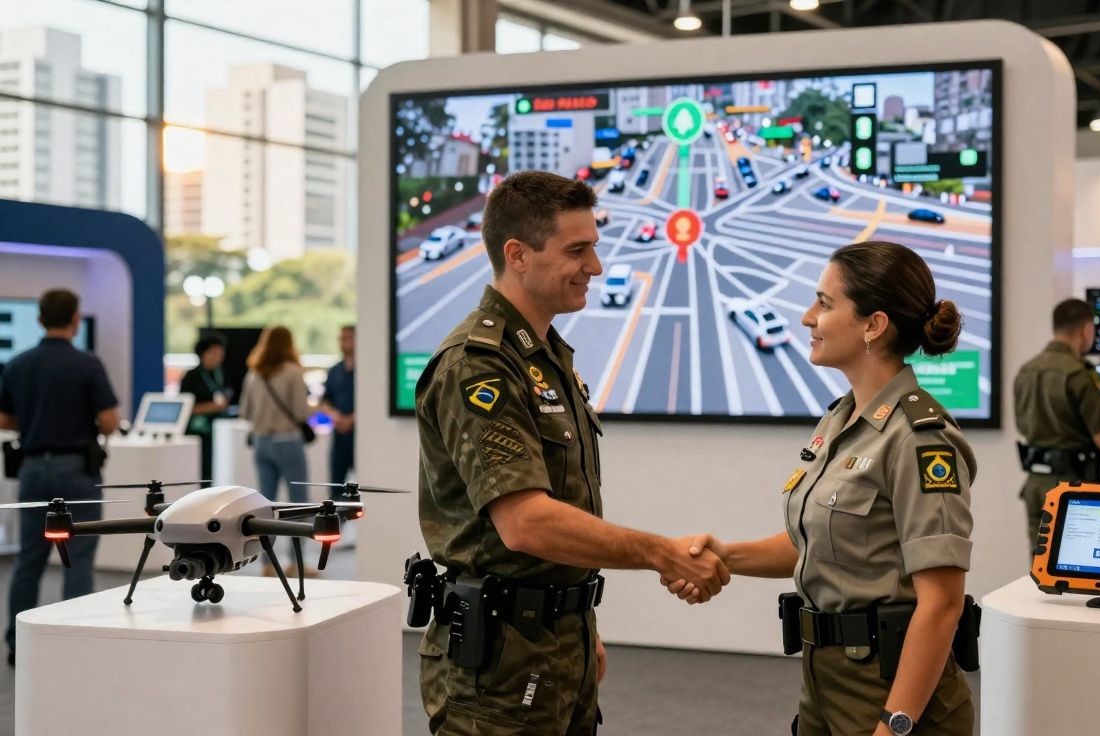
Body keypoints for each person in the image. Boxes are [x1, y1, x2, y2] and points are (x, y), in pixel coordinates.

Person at [414, 170, 730, 735]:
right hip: (499, 663)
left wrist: (578, 622)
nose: (596, 267)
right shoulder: (480, 365)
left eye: (594, 248)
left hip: (555, 637)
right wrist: (661, 553)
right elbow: (526, 524)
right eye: (576, 250)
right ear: (518, 254)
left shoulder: (544, 355)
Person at [664, 241, 975, 736]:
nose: (808, 317)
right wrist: (726, 556)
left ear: (874, 325)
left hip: (890, 690)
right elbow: (818, 544)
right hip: (825, 681)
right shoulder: (840, 419)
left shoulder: (920, 439)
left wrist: (894, 725)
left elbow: (941, 604)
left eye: (825, 304)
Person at [0, 289, 119, 666]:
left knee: (29, 559)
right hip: (77, 470)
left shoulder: (17, 364)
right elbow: (110, 421)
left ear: (40, 319)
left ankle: (18, 643)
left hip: (33, 468)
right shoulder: (87, 364)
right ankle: (73, 638)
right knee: (78, 558)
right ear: (75, 319)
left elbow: (4, 419)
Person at [1013, 299, 1100, 544]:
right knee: (1078, 562)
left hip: (1035, 485)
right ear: (1086, 330)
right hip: (1073, 489)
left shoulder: (1026, 371)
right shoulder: (1079, 374)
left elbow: (1022, 426)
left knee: (1041, 562)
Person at [239, 326, 311, 509]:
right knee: (299, 500)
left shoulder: (254, 374)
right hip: (287, 441)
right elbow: (301, 412)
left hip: (261, 442)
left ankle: (266, 529)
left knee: (265, 501)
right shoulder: (293, 372)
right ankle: (299, 530)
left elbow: (245, 412)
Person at [179, 333, 229, 480]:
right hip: (198, 432)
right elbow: (186, 407)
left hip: (219, 430)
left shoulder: (221, 374)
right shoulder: (191, 377)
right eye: (214, 353)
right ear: (203, 354)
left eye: (220, 354)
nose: (218, 357)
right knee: (201, 469)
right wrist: (212, 407)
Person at [321, 325, 355, 496]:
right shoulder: (335, 370)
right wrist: (334, 416)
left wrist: (352, 419)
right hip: (339, 436)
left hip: (359, 435)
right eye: (341, 338)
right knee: (335, 487)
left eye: (347, 338)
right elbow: (325, 401)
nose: (343, 342)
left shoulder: (366, 371)